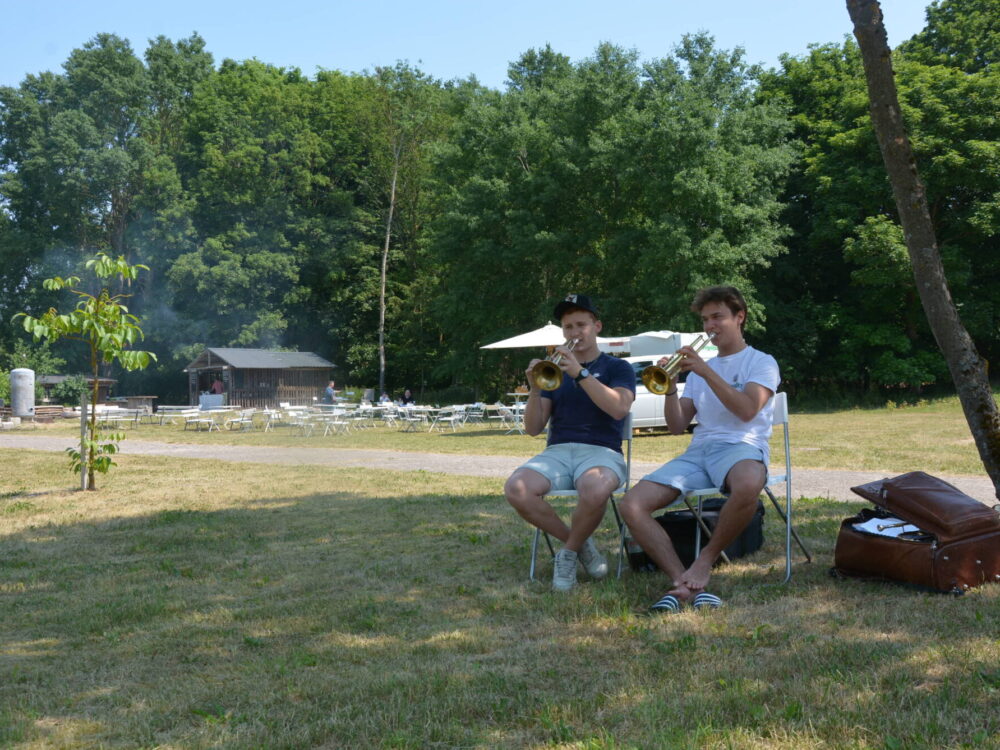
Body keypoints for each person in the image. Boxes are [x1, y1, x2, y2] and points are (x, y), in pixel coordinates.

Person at [620, 286, 780, 612]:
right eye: (706, 319)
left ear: (740, 317)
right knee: (632, 505)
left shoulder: (761, 362)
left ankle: (705, 561)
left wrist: (706, 371)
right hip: (699, 450)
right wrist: (668, 387)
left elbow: (748, 409)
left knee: (750, 483)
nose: (710, 326)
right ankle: (683, 582)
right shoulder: (696, 371)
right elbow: (677, 426)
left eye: (718, 317)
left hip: (741, 446)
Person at [504, 293, 636, 591]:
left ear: (597, 326)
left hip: (602, 452)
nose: (575, 333)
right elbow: (534, 429)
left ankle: (567, 554)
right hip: (558, 452)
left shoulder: (618, 368)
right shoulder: (555, 372)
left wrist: (581, 373)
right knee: (516, 489)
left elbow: (618, 408)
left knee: (595, 487)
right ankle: (579, 544)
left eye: (581, 325)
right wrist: (535, 390)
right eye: (568, 327)